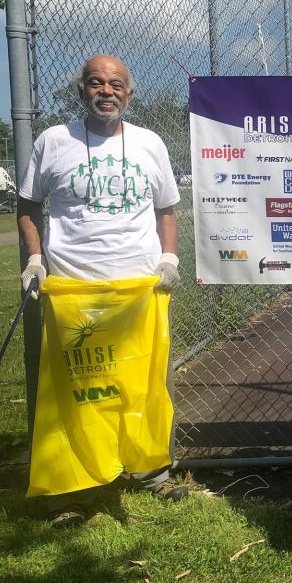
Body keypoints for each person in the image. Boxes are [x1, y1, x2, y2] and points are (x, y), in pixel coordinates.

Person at [18, 54, 185, 525]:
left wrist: (169, 258)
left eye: (115, 84)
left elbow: (167, 209)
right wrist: (35, 258)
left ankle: (150, 470)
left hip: (138, 290)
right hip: (75, 290)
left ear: (129, 95)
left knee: (143, 383)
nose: (105, 91)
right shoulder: (54, 141)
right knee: (77, 389)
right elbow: (28, 205)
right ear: (82, 92)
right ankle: (73, 486)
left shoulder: (150, 144)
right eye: (96, 83)